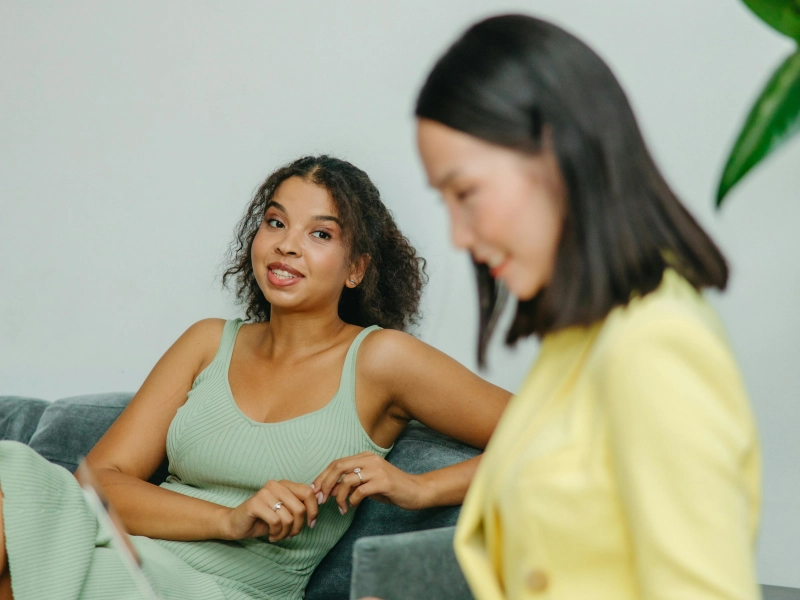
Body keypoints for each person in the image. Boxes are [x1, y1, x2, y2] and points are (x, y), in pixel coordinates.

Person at [0, 155, 510, 600]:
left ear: (356, 268)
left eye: (320, 233)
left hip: (219, 589)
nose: (287, 246)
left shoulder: (381, 359)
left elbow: (556, 433)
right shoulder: (207, 342)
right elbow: (99, 482)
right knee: (13, 477)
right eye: (275, 222)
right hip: (122, 550)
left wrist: (420, 488)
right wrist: (228, 518)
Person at [412, 14, 761, 600]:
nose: (456, 237)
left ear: (556, 150)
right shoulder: (581, 339)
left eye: (465, 193)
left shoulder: (654, 343)